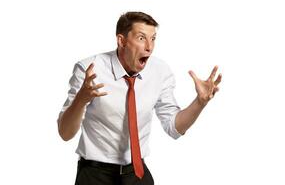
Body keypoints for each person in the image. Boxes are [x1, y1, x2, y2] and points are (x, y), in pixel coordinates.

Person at [57, 11, 222, 185]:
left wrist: (200, 102)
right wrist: (81, 100)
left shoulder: (160, 71)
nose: (149, 47)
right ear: (122, 40)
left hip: (137, 174)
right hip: (95, 175)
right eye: (142, 38)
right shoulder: (89, 69)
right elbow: (65, 133)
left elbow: (174, 128)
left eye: (153, 38)